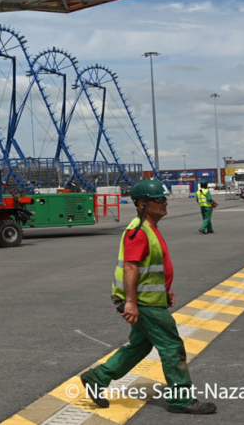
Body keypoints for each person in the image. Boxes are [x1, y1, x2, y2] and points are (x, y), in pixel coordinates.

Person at [79, 178, 217, 415]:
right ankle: (180, 399)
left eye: (165, 199)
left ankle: (97, 377)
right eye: (159, 200)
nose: (165, 204)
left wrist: (165, 289)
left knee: (140, 346)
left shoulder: (149, 229)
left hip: (150, 299)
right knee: (172, 347)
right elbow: (131, 268)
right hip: (144, 303)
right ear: (142, 203)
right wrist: (131, 303)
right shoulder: (139, 232)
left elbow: (150, 266)